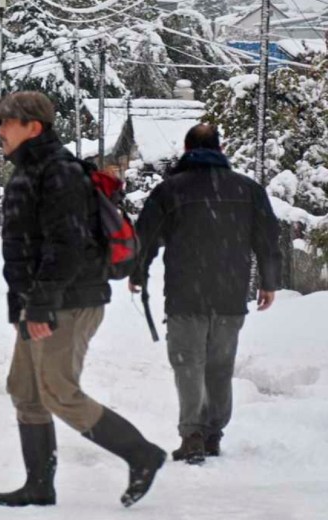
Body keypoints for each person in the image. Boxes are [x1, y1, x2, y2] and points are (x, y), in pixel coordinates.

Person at [0, 91, 165, 509]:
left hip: (68, 299)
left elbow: (66, 245)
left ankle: (141, 454)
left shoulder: (58, 173)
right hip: (41, 299)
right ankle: (39, 485)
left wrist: (41, 304)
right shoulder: (30, 171)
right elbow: (24, 248)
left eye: (6, 123)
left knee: (58, 391)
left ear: (33, 127)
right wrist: (22, 305)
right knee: (26, 389)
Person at [129, 124, 281, 465]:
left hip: (185, 295)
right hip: (230, 294)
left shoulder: (170, 190)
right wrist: (269, 282)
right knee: (220, 367)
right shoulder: (248, 189)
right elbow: (268, 238)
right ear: (220, 149)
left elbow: (146, 236)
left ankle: (192, 435)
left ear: (186, 149)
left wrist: (137, 272)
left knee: (188, 366)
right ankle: (213, 433)